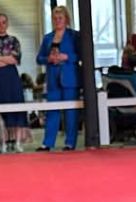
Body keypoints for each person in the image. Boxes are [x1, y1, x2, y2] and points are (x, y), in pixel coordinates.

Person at [35, 5, 80, 151]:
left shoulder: (74, 36)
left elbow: (81, 55)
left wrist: (67, 57)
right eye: (55, 18)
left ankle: (70, 143)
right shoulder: (48, 38)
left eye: (60, 18)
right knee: (52, 110)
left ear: (66, 19)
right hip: (53, 79)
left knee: (70, 112)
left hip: (69, 78)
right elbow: (39, 58)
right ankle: (47, 143)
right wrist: (48, 59)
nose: (57, 20)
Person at [0, 13, 29, 151]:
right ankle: (3, 144)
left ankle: (18, 143)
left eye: (4, 22)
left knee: (17, 107)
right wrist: (7, 58)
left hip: (13, 78)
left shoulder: (14, 40)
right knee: (0, 109)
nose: (1, 25)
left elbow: (16, 60)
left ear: (7, 24)